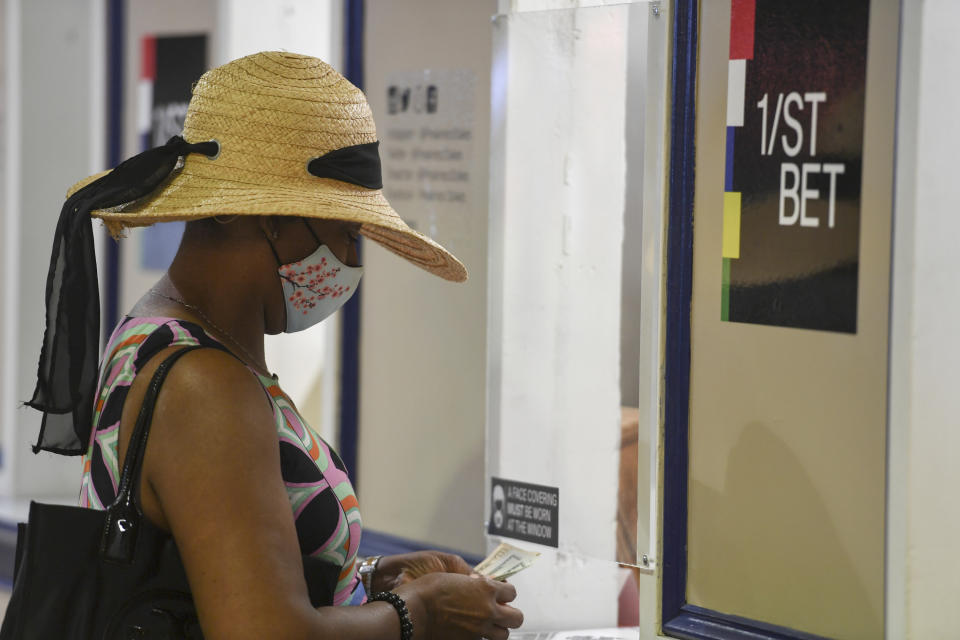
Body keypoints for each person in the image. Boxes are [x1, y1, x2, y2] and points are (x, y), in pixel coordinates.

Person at [27, 51, 523, 640]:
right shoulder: (204, 385)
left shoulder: (160, 337)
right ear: (270, 219)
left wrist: (367, 579)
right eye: (344, 231)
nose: (351, 261)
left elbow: (209, 572)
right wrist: (422, 613)